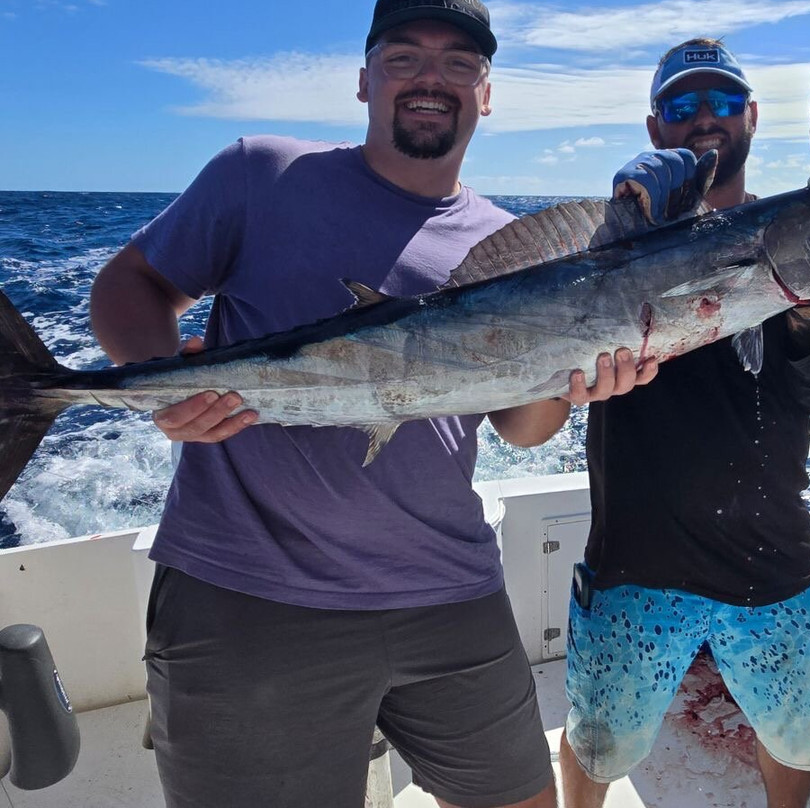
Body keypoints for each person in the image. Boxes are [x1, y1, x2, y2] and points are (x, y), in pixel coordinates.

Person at [89, 2, 653, 806]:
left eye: (459, 63)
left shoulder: (513, 245)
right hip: (249, 594)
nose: (431, 79)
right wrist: (157, 377)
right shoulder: (261, 173)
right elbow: (131, 283)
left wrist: (579, 381)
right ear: (363, 79)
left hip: (451, 590)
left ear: (487, 93)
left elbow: (522, 429)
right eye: (404, 57)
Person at [559, 39, 810, 808]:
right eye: (682, 104)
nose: (705, 116)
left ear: (752, 117)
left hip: (772, 562)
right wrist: (621, 228)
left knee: (795, 739)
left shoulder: (801, 244)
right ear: (655, 125)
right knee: (598, 742)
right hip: (636, 562)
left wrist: (809, 311)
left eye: (723, 101)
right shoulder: (617, 245)